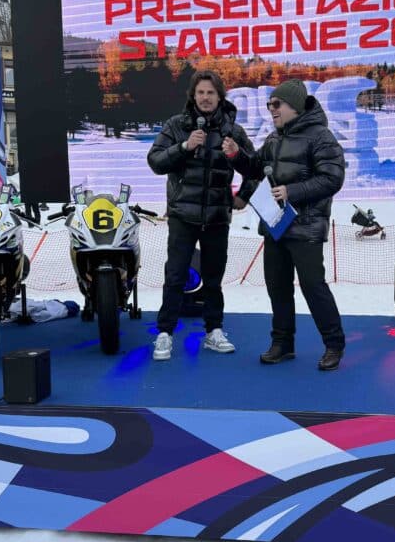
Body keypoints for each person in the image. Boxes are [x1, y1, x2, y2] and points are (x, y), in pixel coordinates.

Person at [223, 79, 347, 371]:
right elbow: (255, 167)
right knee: (277, 286)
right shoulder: (274, 138)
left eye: (276, 104)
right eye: (269, 105)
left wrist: (294, 192)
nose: (271, 110)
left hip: (305, 227)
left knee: (312, 286)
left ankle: (334, 344)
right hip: (276, 225)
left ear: (295, 105)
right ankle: (282, 343)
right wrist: (236, 156)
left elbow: (333, 178)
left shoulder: (321, 137)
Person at [147, 69, 257, 361]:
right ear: (193, 96)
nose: (206, 98)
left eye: (211, 93)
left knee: (213, 278)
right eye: (201, 93)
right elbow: (155, 161)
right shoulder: (176, 125)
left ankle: (214, 330)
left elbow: (256, 169)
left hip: (217, 217)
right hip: (183, 214)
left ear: (220, 96)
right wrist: (184, 147)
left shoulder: (233, 130)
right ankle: (165, 333)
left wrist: (242, 192)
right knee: (175, 275)